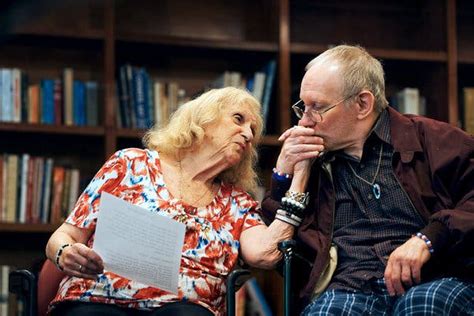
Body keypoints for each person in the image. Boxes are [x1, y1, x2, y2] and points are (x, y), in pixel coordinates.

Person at [261, 45, 474, 315]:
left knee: (423, 304)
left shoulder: (433, 138)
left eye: (317, 107)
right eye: (303, 106)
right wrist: (284, 175)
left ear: (363, 103)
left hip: (434, 276)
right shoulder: (311, 161)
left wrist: (428, 238)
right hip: (351, 286)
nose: (304, 122)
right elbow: (278, 243)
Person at [45, 87, 294, 316]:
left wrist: (298, 173)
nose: (249, 134)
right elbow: (64, 236)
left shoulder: (238, 202)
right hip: (97, 297)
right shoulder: (129, 164)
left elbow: (267, 254)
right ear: (202, 121)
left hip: (184, 307)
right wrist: (64, 253)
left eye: (253, 129)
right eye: (239, 119)